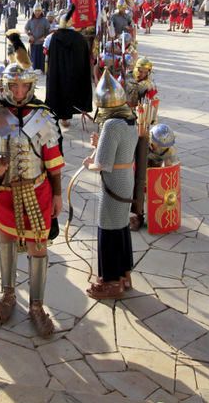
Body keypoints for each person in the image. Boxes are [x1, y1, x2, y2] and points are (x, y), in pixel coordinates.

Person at [0, 63, 64, 337]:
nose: (20, 92)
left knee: (38, 247)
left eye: (25, 86)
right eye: (14, 86)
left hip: (38, 191)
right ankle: (8, 295)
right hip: (5, 193)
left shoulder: (42, 115)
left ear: (32, 86)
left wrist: (57, 193)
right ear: (6, 86)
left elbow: (53, 160)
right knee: (6, 242)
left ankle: (36, 305)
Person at [82, 69, 139, 299]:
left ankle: (112, 281)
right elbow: (116, 152)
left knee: (108, 230)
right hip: (125, 180)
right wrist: (99, 144)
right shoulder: (129, 118)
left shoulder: (111, 125)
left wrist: (90, 164)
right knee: (121, 227)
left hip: (114, 183)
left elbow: (103, 163)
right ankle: (124, 274)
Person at [46, 6, 93, 128]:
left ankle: (63, 117)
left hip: (59, 73)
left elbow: (50, 56)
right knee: (74, 91)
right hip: (75, 74)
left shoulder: (55, 37)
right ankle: (69, 114)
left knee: (59, 91)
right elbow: (85, 57)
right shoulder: (79, 38)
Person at [24, 2, 51, 71]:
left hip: (42, 43)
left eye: (39, 11)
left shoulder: (45, 20)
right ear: (33, 11)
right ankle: (34, 70)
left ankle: (41, 70)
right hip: (33, 43)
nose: (37, 12)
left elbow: (49, 30)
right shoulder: (30, 20)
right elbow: (25, 29)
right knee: (34, 59)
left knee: (41, 59)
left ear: (41, 11)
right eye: (36, 11)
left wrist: (45, 37)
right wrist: (30, 36)